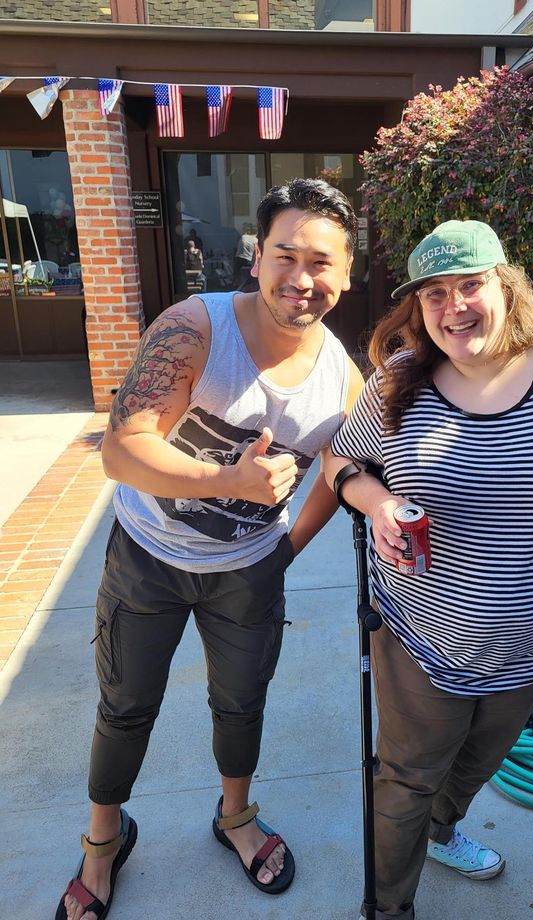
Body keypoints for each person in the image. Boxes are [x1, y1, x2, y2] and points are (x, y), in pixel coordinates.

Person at [325, 220, 533, 920]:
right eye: (434, 294)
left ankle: (444, 833)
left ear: (507, 285)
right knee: (407, 781)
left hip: (532, 638)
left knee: (477, 764)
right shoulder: (398, 382)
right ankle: (390, 906)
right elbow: (341, 461)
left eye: (470, 285)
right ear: (417, 308)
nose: (455, 308)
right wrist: (379, 501)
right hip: (422, 636)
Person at [56, 178, 365, 920]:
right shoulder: (194, 327)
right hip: (147, 557)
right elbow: (122, 452)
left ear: (347, 275)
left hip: (248, 571)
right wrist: (231, 478)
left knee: (241, 700)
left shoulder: (342, 380)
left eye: (322, 263)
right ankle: (104, 838)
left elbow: (342, 467)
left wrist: (289, 545)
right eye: (285, 255)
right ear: (257, 259)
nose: (302, 277)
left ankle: (235, 817)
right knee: (126, 705)